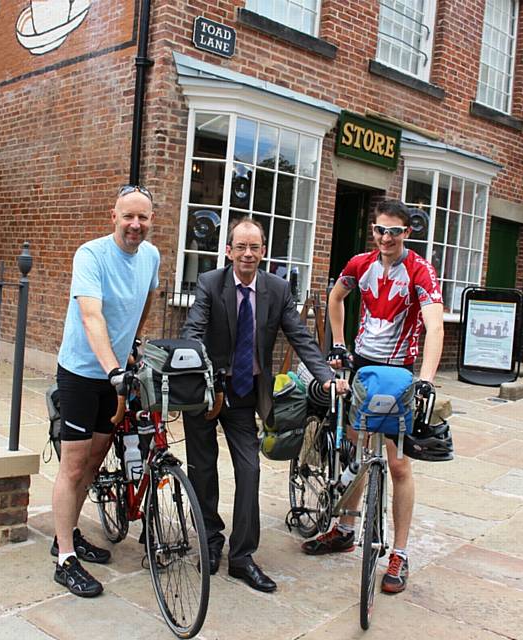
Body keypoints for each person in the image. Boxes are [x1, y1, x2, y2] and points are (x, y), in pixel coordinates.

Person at [181, 217, 349, 593]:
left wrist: (324, 376)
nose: (247, 254)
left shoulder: (277, 288)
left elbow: (301, 336)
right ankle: (210, 541)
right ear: (228, 251)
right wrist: (193, 364)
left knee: (250, 470)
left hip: (243, 394)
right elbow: (193, 330)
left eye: (254, 247)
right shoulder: (211, 283)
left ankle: (242, 557)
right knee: (203, 469)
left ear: (264, 251)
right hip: (206, 391)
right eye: (240, 247)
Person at [301, 199, 444, 596]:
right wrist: (340, 344)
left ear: (407, 233)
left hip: (399, 370)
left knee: (397, 465)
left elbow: (435, 327)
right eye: (380, 230)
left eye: (394, 231)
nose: (385, 238)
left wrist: (427, 380)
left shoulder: (420, 270)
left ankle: (399, 553)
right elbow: (335, 298)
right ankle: (344, 529)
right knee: (355, 452)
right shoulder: (359, 264)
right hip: (362, 365)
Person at [51, 184, 160, 597]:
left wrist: (132, 344)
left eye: (143, 217)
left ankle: (68, 532)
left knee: (96, 460)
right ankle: (64, 559)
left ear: (151, 221)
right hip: (82, 371)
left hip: (114, 374)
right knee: (74, 465)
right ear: (113, 217)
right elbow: (91, 315)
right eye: (128, 216)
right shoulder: (91, 255)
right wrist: (112, 365)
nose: (136, 224)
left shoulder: (150, 255)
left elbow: (147, 298)